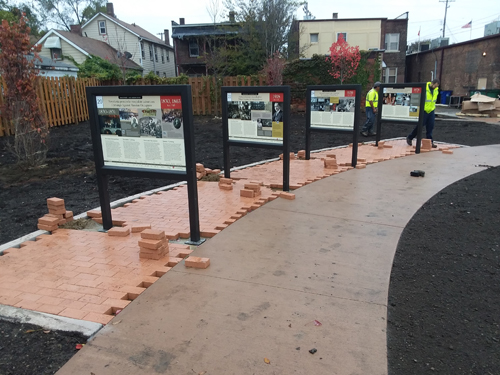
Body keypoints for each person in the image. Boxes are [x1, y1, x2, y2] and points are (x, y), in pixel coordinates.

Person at [407, 79, 440, 147]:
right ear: (432, 83)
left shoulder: (436, 90)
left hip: (431, 111)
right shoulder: (424, 88)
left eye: (437, 86)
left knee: (430, 127)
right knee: (420, 126)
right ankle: (410, 137)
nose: (435, 87)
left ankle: (430, 142)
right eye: (435, 86)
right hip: (424, 111)